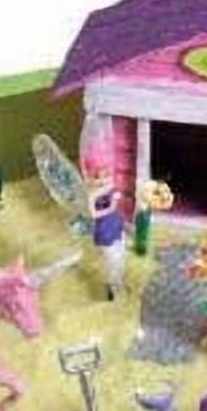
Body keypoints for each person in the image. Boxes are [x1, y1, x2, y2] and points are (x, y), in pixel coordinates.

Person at [79, 120, 126, 300]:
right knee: (112, 259)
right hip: (104, 227)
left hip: (116, 222)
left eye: (106, 173)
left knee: (121, 256)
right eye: (98, 175)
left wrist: (117, 200)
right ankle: (112, 286)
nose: (104, 179)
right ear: (91, 175)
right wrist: (112, 206)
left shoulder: (110, 184)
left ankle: (117, 281)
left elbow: (115, 192)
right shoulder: (93, 194)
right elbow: (93, 214)